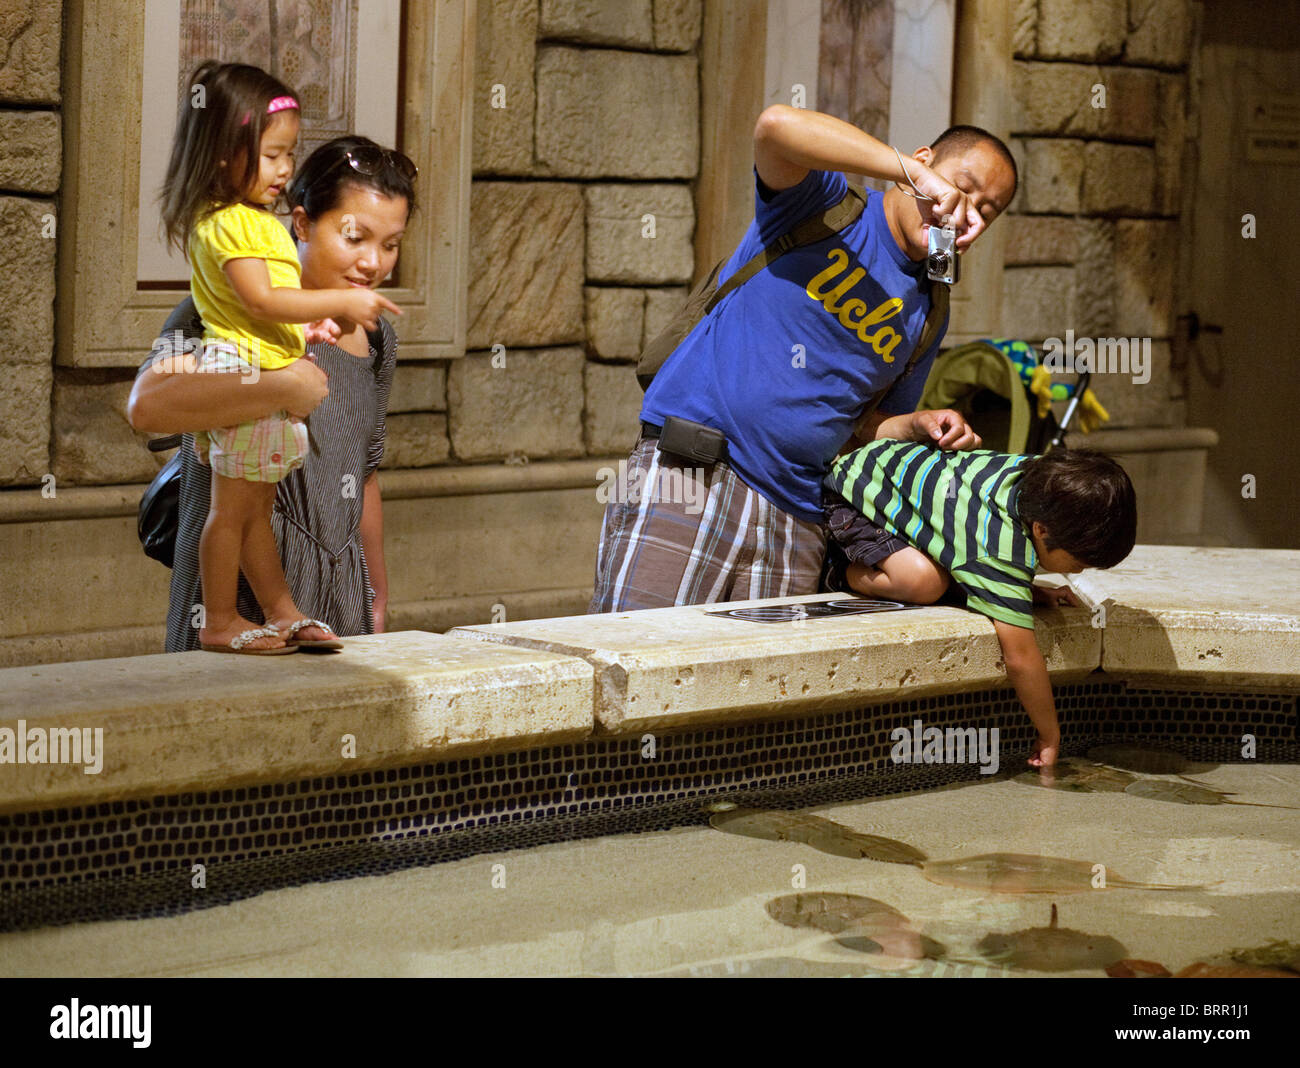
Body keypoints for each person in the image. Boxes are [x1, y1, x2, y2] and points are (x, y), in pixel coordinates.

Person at [590, 106, 1019, 613]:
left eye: (985, 212)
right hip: (694, 473)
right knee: (639, 661)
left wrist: (916, 424)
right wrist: (911, 173)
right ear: (924, 162)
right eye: (960, 187)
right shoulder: (829, 207)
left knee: (758, 688)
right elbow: (775, 128)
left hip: (798, 516)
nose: (965, 212)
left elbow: (861, 427)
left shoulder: (929, 313)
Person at [130, 127, 417, 654]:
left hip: (338, 598)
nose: (373, 262)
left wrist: (377, 593)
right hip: (237, 610)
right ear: (302, 223)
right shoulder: (225, 306)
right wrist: (282, 384)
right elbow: (148, 404)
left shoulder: (378, 337)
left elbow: (365, 472)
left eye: (390, 244)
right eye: (354, 237)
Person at [825, 443, 1138, 768]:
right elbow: (1020, 658)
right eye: (1078, 563)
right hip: (855, 496)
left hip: (892, 469)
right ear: (1041, 530)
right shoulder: (1000, 551)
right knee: (925, 583)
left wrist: (1025, 591)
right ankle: (841, 572)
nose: (1079, 572)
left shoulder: (1040, 478)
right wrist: (1050, 734)